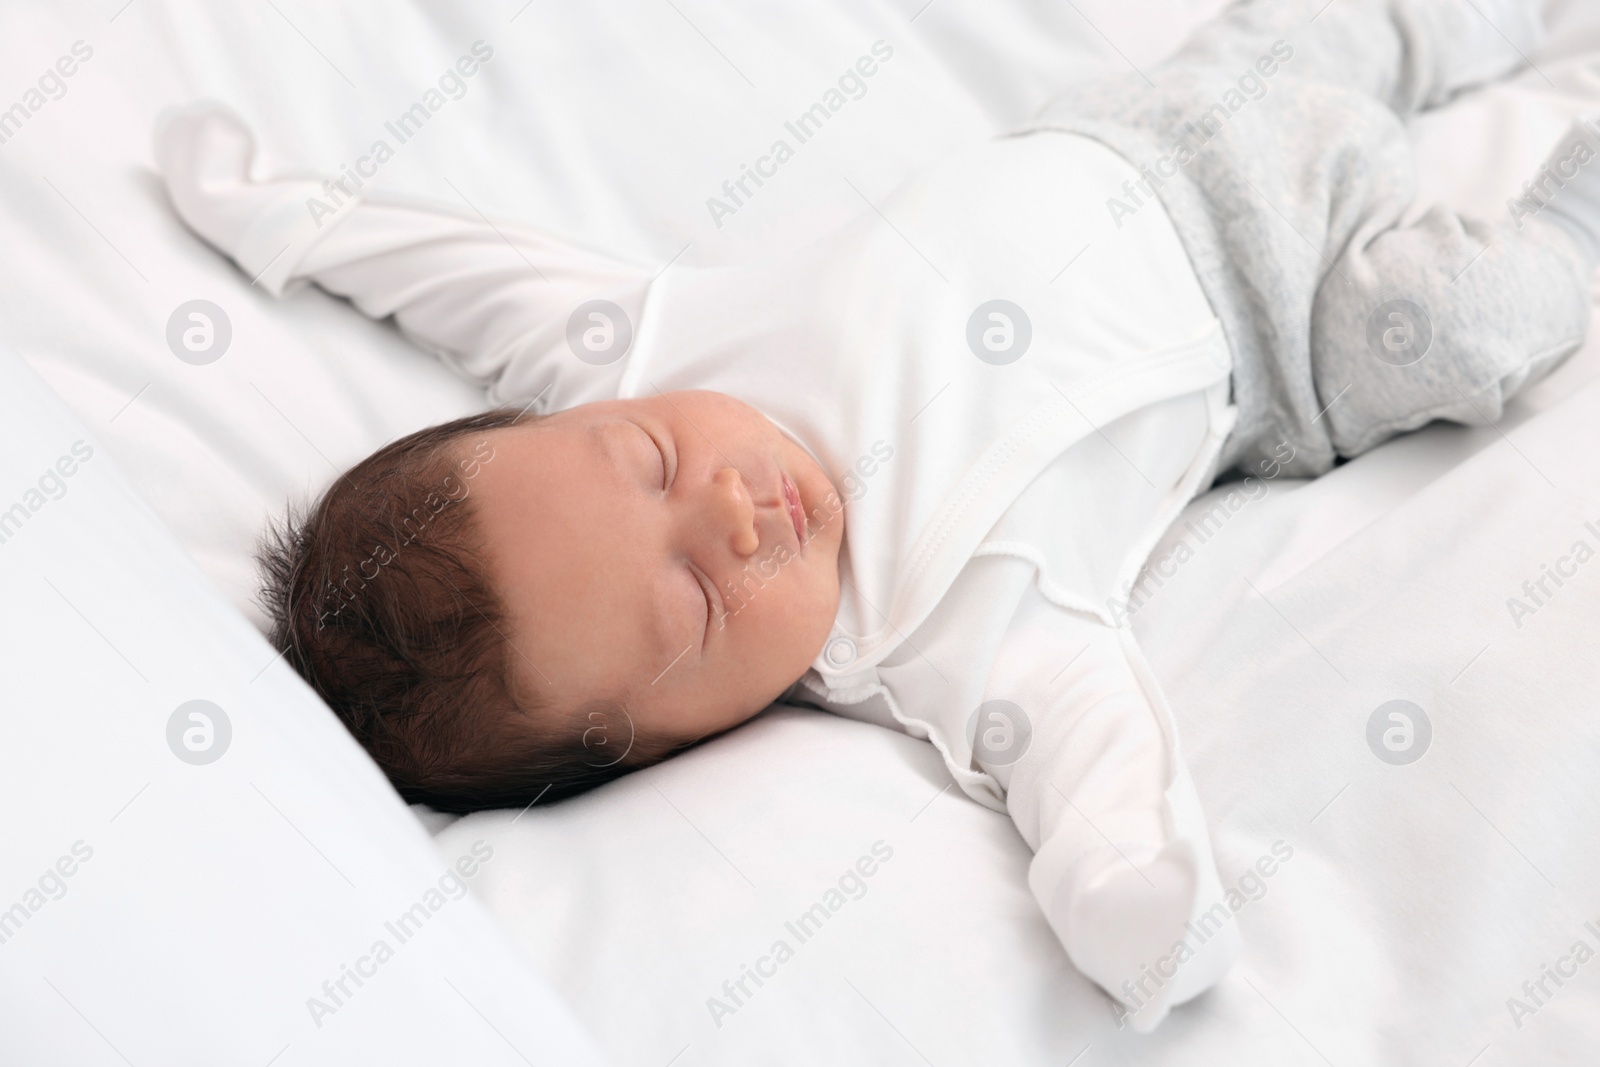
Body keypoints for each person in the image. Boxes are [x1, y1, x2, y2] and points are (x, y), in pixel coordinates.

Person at [155, 0, 1598, 1029]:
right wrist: (1130, 887)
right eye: (696, 605)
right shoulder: (939, 630)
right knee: (1460, 318)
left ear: (589, 413)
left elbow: (470, 274)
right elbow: (1086, 747)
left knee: (1354, 23)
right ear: (676, 744)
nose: (725, 511)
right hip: (1299, 328)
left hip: (1157, 132)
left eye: (654, 463)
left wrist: (295, 219)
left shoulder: (656, 350)